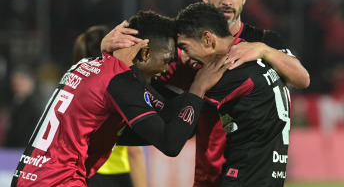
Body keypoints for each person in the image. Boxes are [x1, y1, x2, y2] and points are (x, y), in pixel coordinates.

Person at [100, 0, 310, 186]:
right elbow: (138, 82)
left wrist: (264, 50)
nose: (227, 1)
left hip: (241, 171)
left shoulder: (263, 41)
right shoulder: (185, 45)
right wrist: (106, 49)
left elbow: (302, 79)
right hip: (210, 173)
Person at [11, 10, 230, 187]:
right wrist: (198, 87)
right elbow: (170, 143)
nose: (166, 69)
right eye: (166, 60)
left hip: (28, 178)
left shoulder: (86, 65)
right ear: (144, 53)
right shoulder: (119, 82)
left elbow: (169, 117)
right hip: (59, 181)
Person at [177, 2, 290, 187]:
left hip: (245, 177)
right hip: (268, 175)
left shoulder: (232, 72)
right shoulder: (256, 58)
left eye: (185, 47)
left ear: (207, 39)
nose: (184, 56)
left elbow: (180, 124)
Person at [73, 25, 146, 187]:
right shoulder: (117, 90)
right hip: (114, 177)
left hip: (79, 173)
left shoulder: (74, 86)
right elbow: (133, 151)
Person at [4, 65, 42, 147]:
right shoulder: (16, 101)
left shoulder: (35, 104)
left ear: (31, 82)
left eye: (20, 82)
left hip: (24, 148)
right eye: (15, 83)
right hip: (13, 148)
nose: (17, 85)